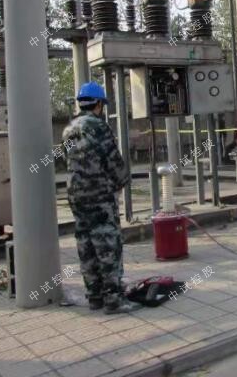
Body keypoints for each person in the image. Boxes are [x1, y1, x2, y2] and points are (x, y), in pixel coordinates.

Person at [63, 81, 139, 314]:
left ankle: (94, 296)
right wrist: (122, 181)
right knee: (107, 244)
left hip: (76, 194)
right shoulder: (98, 126)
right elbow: (113, 160)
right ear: (98, 104)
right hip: (99, 194)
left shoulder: (68, 129)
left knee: (85, 243)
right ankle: (113, 299)